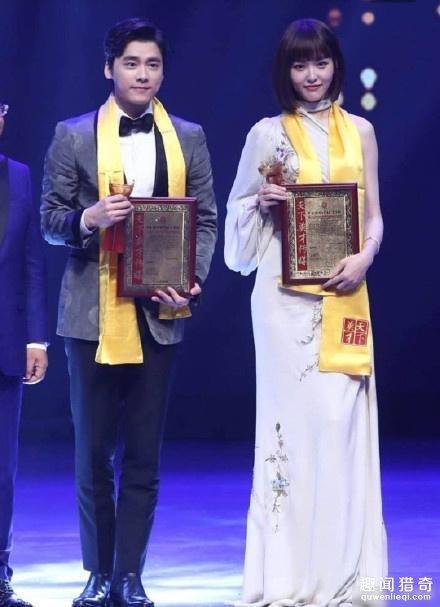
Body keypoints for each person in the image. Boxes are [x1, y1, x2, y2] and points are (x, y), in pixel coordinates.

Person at [41, 17, 217, 607]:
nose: (143, 74)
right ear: (109, 68)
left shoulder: (188, 136)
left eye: (153, 64)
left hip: (160, 314)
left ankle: (129, 575)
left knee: (143, 455)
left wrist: (191, 283)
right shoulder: (73, 135)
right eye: (132, 63)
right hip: (91, 316)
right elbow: (50, 220)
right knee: (92, 454)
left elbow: (205, 219)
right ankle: (97, 573)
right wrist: (88, 219)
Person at [225, 19, 386, 607]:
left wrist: (366, 256)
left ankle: (347, 576)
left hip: (344, 293)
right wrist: (261, 204)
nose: (311, 75)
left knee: (340, 429)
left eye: (320, 62)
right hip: (281, 303)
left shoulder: (361, 131)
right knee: (289, 433)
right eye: (299, 65)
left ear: (335, 64)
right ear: (285, 72)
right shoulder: (265, 135)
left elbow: (373, 216)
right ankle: (289, 577)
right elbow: (237, 235)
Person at [0, 102, 48, 607]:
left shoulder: (19, 177)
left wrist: (37, 339)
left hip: (6, 344)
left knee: (2, 471)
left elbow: (32, 262)